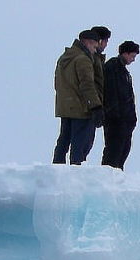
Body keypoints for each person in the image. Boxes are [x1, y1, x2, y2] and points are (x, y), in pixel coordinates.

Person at [52, 29, 104, 165]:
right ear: (87, 43)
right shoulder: (83, 59)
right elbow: (87, 84)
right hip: (81, 109)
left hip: (65, 107)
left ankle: (57, 168)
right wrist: (96, 106)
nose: (94, 50)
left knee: (64, 140)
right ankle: (77, 171)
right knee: (80, 144)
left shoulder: (65, 57)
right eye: (94, 46)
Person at [101, 40, 140, 170]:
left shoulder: (123, 71)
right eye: (133, 56)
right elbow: (110, 92)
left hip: (125, 120)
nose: (133, 60)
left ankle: (117, 174)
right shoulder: (112, 67)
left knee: (124, 149)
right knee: (114, 150)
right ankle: (108, 176)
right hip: (116, 119)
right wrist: (114, 115)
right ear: (125, 53)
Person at [90, 26, 111, 104]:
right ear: (100, 41)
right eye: (106, 41)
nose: (106, 45)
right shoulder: (92, 59)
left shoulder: (96, 58)